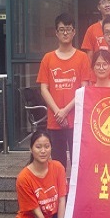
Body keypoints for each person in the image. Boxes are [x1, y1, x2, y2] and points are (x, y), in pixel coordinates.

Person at [16, 131, 89, 218]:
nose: (43, 151)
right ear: (31, 149)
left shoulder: (58, 167)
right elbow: (37, 214)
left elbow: (61, 200)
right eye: (38, 147)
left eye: (47, 146)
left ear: (51, 148)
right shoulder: (24, 178)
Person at [37, 12, 91, 169]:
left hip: (76, 119)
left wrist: (65, 111)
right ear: (56, 32)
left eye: (68, 29)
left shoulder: (82, 57)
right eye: (62, 29)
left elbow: (84, 88)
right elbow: (44, 89)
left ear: (74, 32)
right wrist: (58, 112)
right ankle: (60, 186)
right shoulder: (48, 58)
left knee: (78, 162)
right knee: (57, 163)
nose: (65, 33)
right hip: (55, 121)